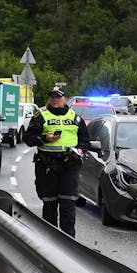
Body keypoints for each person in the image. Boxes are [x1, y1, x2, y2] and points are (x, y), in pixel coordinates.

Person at [24, 86, 91, 237]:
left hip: (70, 166)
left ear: (64, 99)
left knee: (68, 206)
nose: (55, 100)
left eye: (58, 97)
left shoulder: (75, 118)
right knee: (49, 205)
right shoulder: (40, 115)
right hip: (48, 167)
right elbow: (28, 139)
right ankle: (50, 242)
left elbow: (85, 141)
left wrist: (80, 150)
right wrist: (44, 138)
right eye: (52, 97)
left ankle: (69, 244)